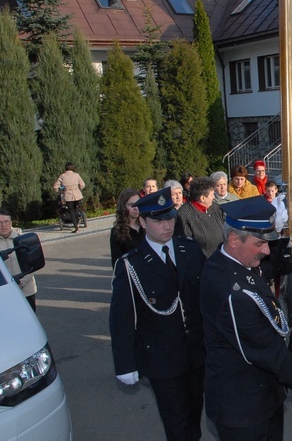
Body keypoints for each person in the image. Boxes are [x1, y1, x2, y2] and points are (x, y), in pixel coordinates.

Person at [199, 197, 292, 441]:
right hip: (241, 407)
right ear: (233, 240)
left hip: (265, 395)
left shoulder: (235, 261)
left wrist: (287, 235)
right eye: (259, 243)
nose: (265, 250)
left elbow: (269, 267)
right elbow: (267, 350)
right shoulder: (230, 290)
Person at [109, 187, 207, 441]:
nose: (166, 225)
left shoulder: (189, 249)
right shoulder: (132, 264)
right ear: (142, 221)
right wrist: (126, 364)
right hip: (162, 358)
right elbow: (121, 318)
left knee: (195, 412)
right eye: (158, 220)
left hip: (197, 353)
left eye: (170, 218)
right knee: (176, 420)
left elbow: (205, 298)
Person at [0, 209, 37, 311]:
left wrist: (21, 282)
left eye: (6, 222)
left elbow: (32, 264)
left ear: (11, 223)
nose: (3, 225)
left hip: (26, 290)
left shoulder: (22, 239)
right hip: (3, 293)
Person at [174, 177, 225, 258]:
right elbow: (187, 247)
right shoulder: (184, 216)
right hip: (202, 264)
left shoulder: (216, 208)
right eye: (212, 194)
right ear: (202, 198)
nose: (214, 197)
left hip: (221, 259)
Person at [109, 188, 144, 267]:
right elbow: (116, 263)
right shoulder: (117, 232)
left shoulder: (146, 226)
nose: (136, 208)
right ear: (124, 207)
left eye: (138, 204)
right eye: (131, 205)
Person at [53, 162, 85, 233]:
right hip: (77, 194)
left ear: (66, 168)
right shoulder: (76, 175)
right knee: (76, 209)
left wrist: (59, 191)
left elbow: (55, 186)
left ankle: (76, 227)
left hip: (68, 195)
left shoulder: (62, 176)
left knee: (71, 211)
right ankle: (78, 222)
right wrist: (78, 189)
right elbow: (82, 184)